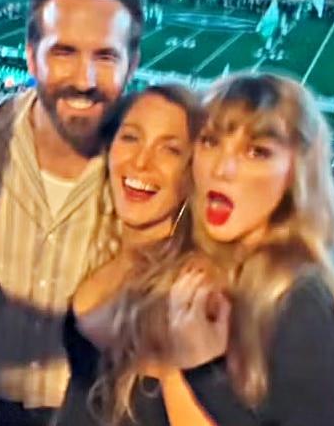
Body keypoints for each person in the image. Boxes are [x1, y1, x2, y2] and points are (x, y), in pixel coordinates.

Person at [0, 0, 143, 425]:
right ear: (31, 56)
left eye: (105, 56)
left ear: (133, 64)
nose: (85, 79)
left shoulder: (153, 165)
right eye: (63, 51)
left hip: (87, 410)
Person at [100, 73, 334, 426]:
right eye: (210, 141)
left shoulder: (307, 297)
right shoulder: (223, 263)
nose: (221, 169)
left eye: (257, 151)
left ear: (297, 171)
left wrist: (194, 365)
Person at [57, 84, 227, 426]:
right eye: (131, 138)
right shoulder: (105, 247)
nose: (141, 162)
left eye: (170, 150)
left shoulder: (195, 287)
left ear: (195, 171)